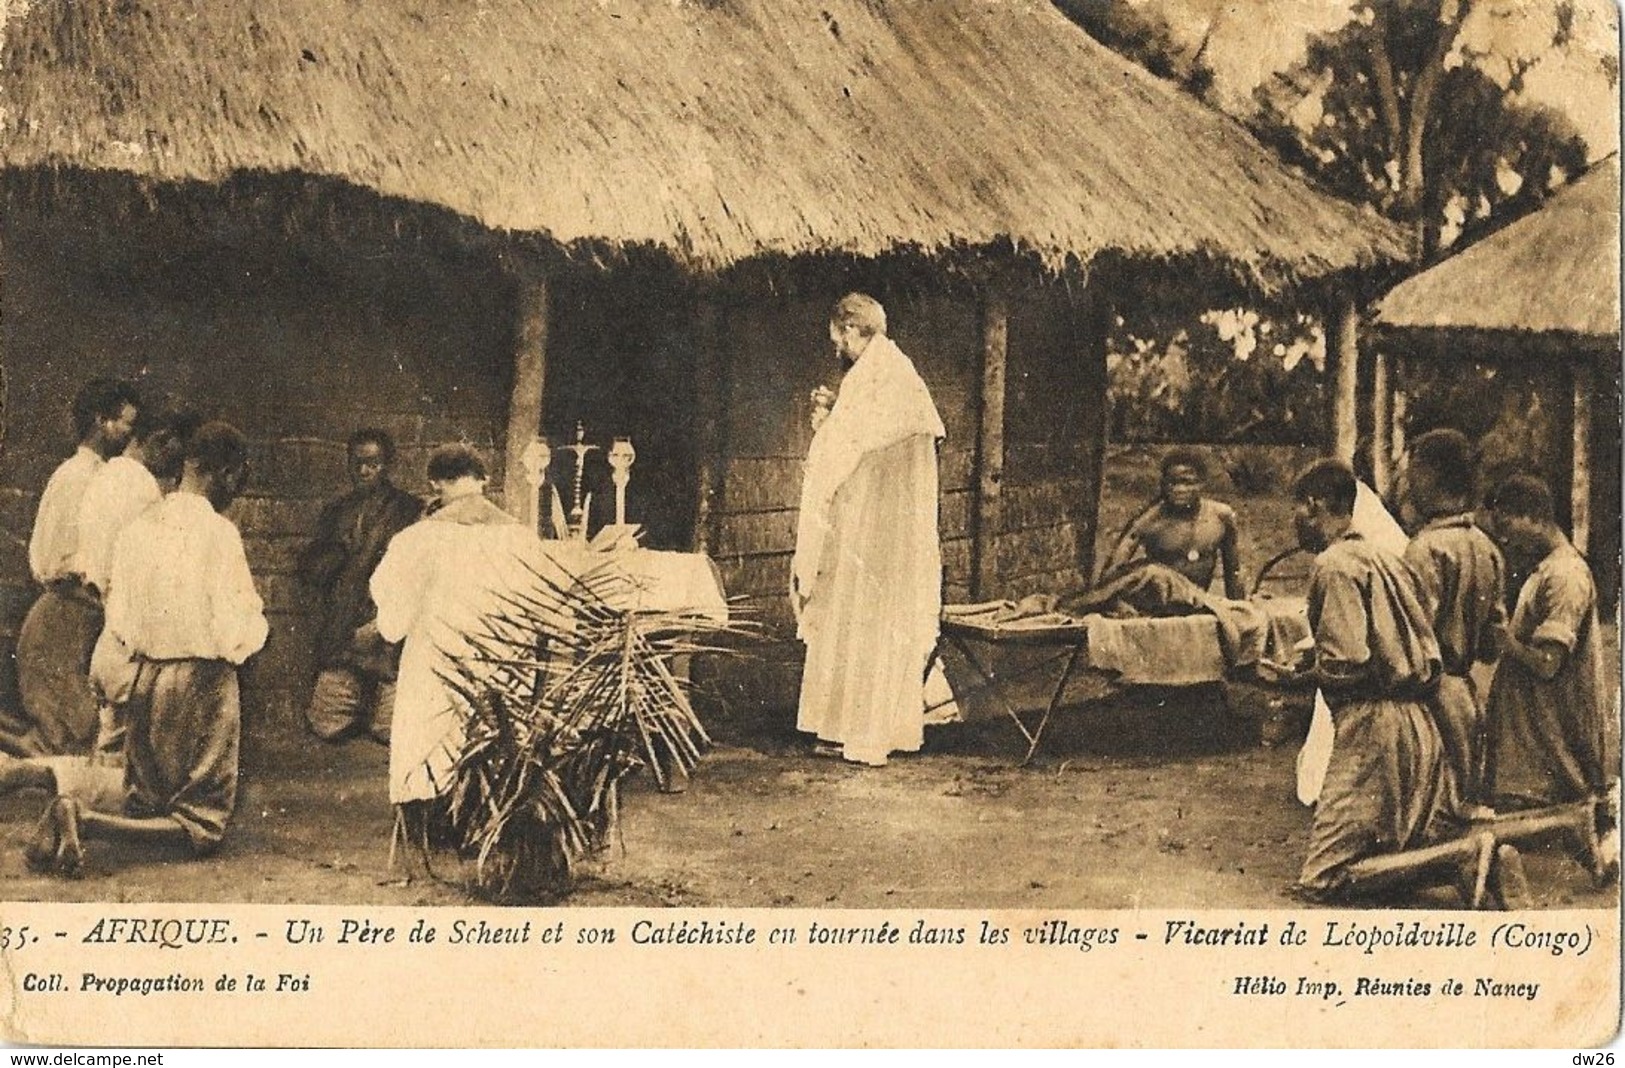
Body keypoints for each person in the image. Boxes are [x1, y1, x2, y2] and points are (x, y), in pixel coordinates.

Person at [23, 422, 267, 876]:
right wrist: (248, 643)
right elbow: (240, 624)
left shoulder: (139, 528)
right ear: (226, 474)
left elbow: (122, 618)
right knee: (202, 823)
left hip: (145, 675)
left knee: (148, 797)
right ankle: (85, 820)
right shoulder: (218, 532)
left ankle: (68, 801)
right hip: (202, 679)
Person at [1276, 459, 1491, 905]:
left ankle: (1463, 859)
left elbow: (1348, 664)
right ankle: (1458, 858)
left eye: (1297, 509)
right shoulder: (1384, 556)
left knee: (1322, 881)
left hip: (1372, 723)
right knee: (1389, 843)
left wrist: (1297, 678)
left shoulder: (1335, 564)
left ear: (1314, 506)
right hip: (1417, 719)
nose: (1294, 522)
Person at [792, 293, 946, 766]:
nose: (835, 345)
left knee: (863, 621)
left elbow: (842, 453)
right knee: (866, 623)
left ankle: (859, 729)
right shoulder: (897, 373)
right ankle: (861, 727)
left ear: (852, 329)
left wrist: (824, 430)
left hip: (872, 531)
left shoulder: (875, 376)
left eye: (837, 336)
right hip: (881, 530)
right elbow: (865, 437)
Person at [370, 444, 551, 811]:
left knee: (431, 729)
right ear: (484, 481)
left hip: (439, 658)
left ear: (435, 484)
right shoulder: (523, 537)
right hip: (505, 658)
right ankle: (493, 809)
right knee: (499, 728)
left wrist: (392, 628)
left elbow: (392, 612)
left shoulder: (417, 539)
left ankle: (431, 811)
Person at [6, 378, 141, 757]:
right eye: (128, 423)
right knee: (67, 735)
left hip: (82, 620)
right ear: (103, 421)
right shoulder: (76, 478)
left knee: (81, 738)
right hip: (61, 624)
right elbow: (53, 561)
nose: (132, 434)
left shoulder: (104, 476)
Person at [1480, 475, 1609, 810]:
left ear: (1535, 519)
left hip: (1550, 759)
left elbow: (1549, 664)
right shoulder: (1546, 571)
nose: (1505, 539)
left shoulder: (1566, 576)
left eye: (1509, 526)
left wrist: (1505, 641)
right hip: (1532, 757)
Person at [1400, 428, 1506, 813]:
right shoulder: (1487, 547)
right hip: (1469, 690)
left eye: (1413, 473)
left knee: (1434, 805)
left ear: (1430, 476)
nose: (1408, 484)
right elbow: (1494, 639)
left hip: (1433, 695)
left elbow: (1414, 634)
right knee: (1466, 793)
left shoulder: (1425, 549)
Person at [299, 429, 424, 745]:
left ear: (387, 464)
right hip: (346, 636)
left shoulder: (409, 511)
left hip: (389, 638)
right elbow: (314, 572)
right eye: (357, 464)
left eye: (373, 463)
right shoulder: (335, 512)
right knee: (325, 724)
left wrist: (381, 625)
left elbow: (417, 580)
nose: (364, 471)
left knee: (390, 729)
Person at [1099, 450, 1243, 599]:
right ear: (1164, 485)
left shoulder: (1221, 516)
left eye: (1187, 482)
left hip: (1198, 602)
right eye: (1173, 483)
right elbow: (1112, 573)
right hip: (1158, 605)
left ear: (1201, 484)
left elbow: (1233, 572)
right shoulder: (1149, 520)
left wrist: (1239, 611)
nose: (1180, 490)